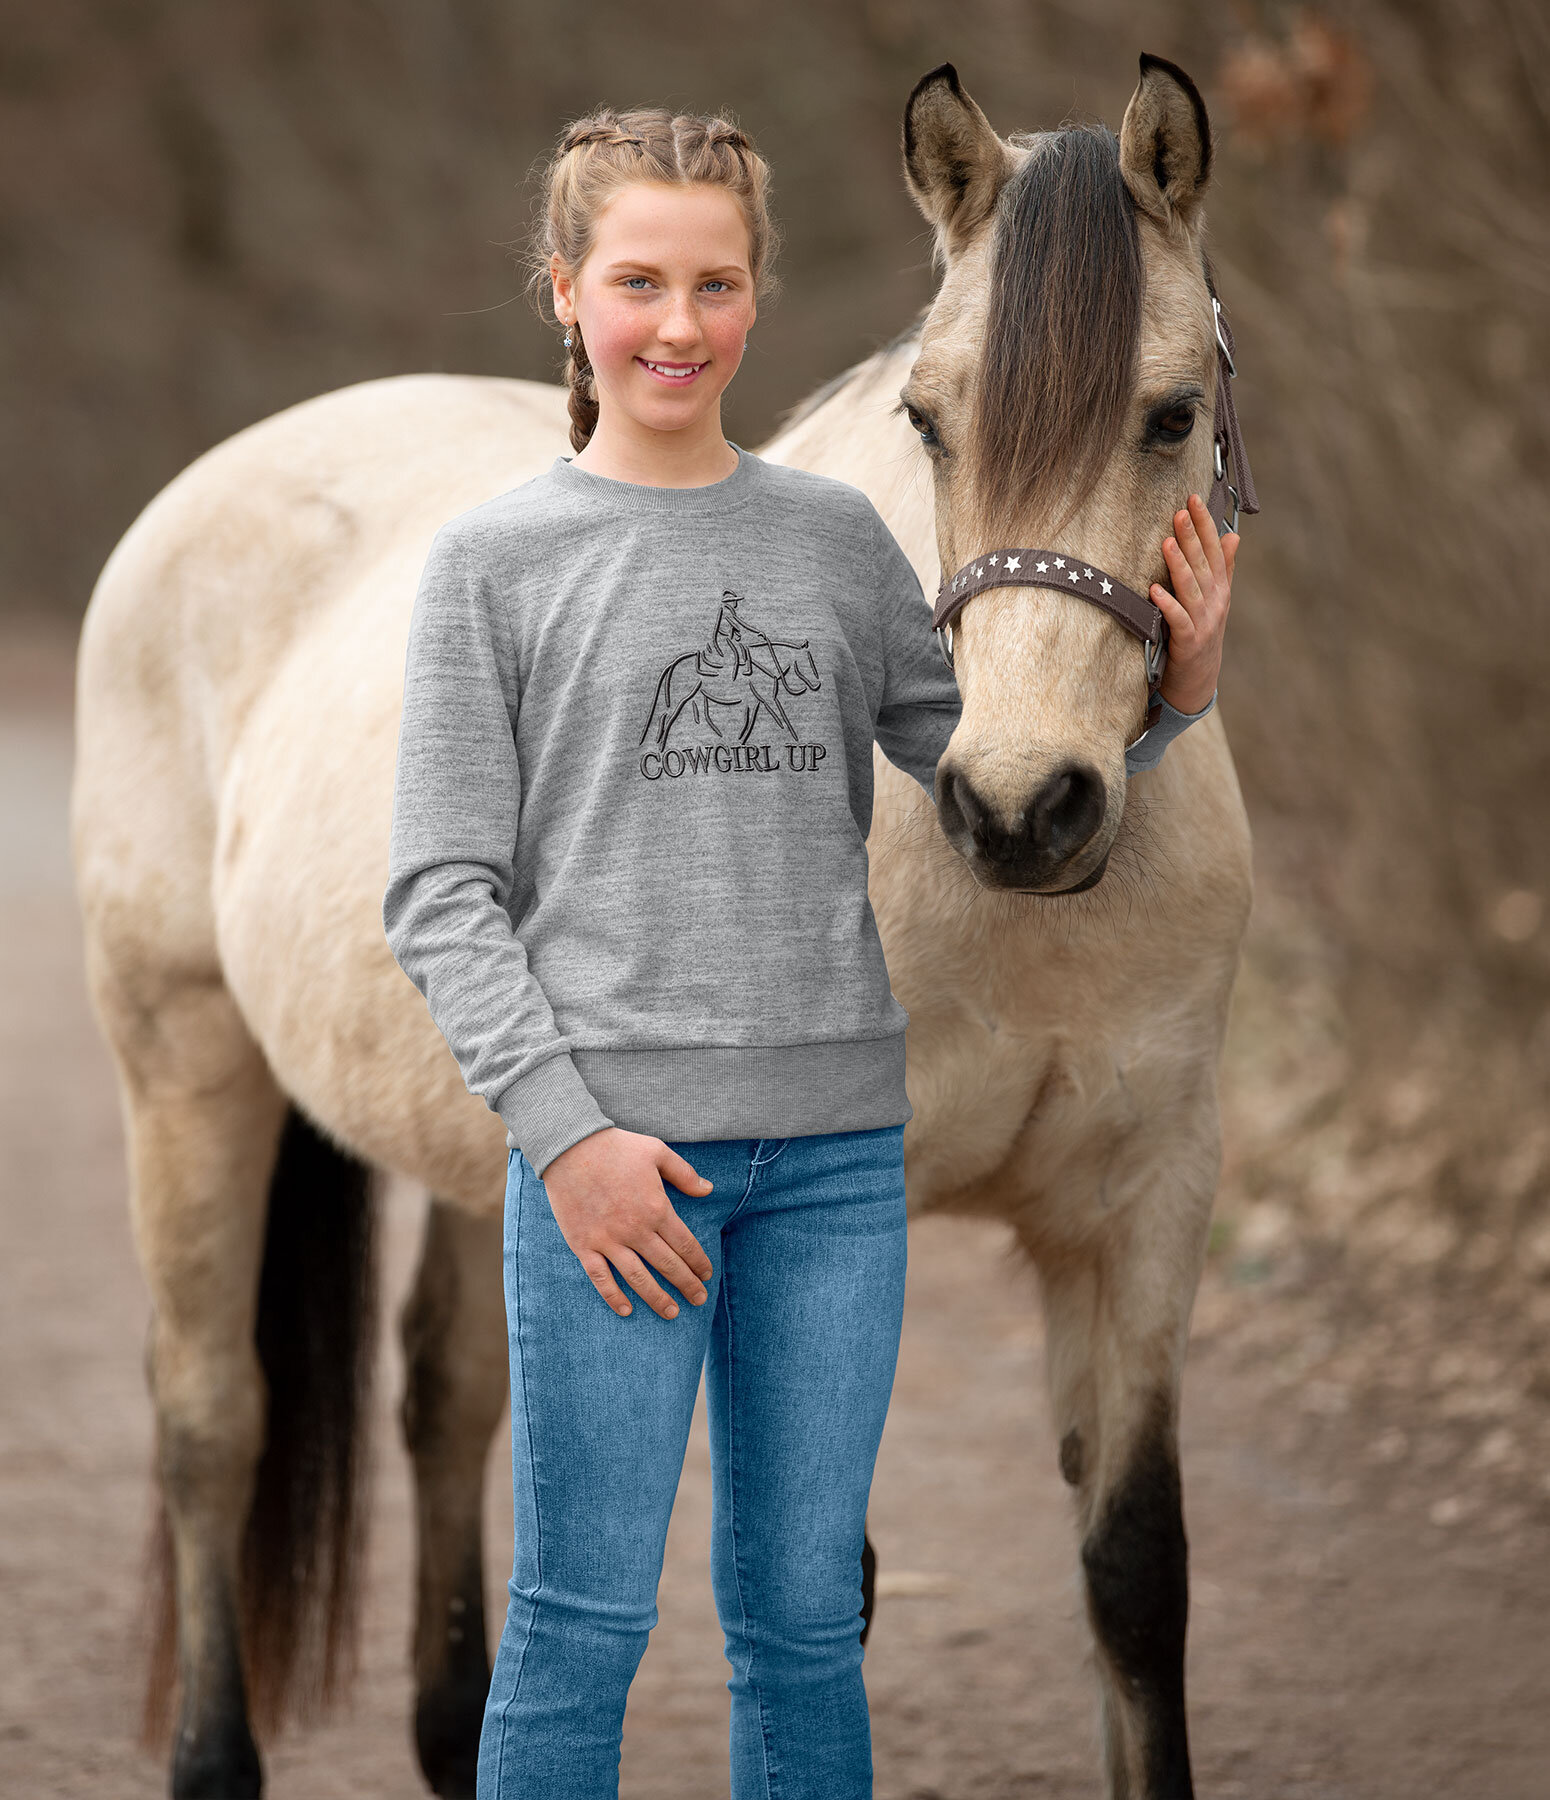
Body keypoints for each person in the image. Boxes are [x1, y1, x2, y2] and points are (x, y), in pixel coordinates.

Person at [382, 104, 1237, 1800]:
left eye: (714, 284)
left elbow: (982, 783)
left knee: (794, 1621)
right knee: (576, 1622)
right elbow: (437, 894)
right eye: (636, 282)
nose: (678, 324)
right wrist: (568, 1139)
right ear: (566, 296)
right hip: (621, 1166)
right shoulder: (491, 562)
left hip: (840, 1169)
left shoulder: (839, 544)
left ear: (759, 299)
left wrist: (1181, 699)